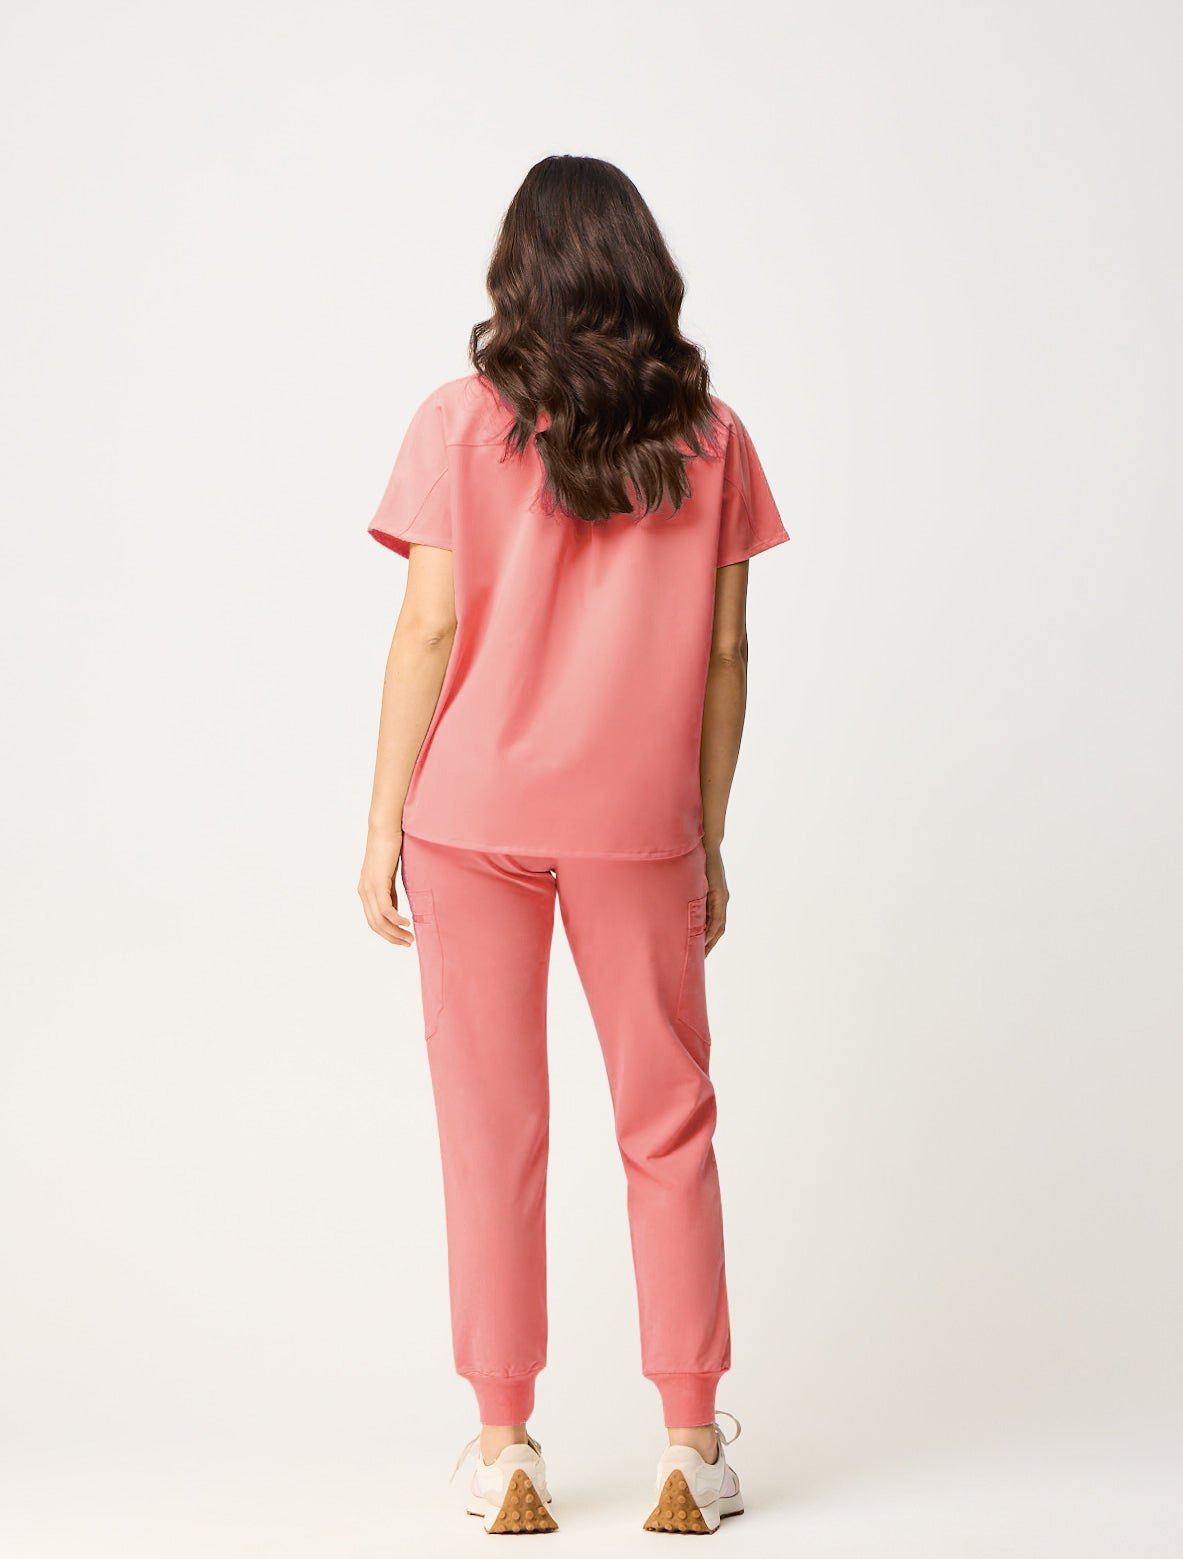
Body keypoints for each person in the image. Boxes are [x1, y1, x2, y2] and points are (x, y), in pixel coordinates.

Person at [360, 154, 789, 1536]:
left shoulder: (457, 422)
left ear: (518, 272)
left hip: (471, 814)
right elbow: (724, 652)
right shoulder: (712, 437)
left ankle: (507, 1451)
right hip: (635, 822)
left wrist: (381, 822)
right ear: (643, 270)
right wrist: (705, 834)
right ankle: (690, 1445)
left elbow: (428, 629)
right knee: (670, 1121)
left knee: (491, 1130)